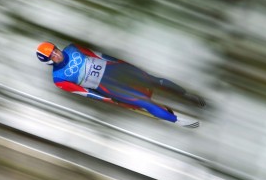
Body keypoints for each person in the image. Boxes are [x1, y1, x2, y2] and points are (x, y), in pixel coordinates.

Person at [36, 42, 205, 126]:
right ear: (49, 62)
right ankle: (180, 120)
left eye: (55, 50)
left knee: (154, 80)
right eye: (52, 56)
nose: (57, 55)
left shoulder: (72, 48)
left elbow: (99, 55)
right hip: (108, 87)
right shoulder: (59, 79)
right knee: (144, 102)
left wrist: (121, 63)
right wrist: (108, 100)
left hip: (116, 69)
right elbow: (84, 92)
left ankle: (187, 96)